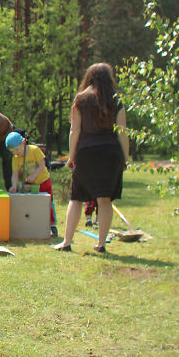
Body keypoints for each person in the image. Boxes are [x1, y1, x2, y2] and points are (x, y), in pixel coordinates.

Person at [52, 63, 129, 253]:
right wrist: (125, 159)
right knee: (105, 200)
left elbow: (74, 131)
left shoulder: (81, 99)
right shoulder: (116, 100)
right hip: (111, 154)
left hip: (86, 152)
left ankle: (66, 242)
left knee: (76, 198)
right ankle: (101, 244)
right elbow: (123, 133)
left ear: (89, 77)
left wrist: (71, 156)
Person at [6, 131, 58, 237]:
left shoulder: (34, 150)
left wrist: (34, 176)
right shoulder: (15, 158)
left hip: (43, 181)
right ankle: (36, 224)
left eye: (17, 149)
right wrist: (14, 185)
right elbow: (15, 174)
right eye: (12, 151)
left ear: (23, 142)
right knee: (33, 204)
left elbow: (42, 165)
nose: (15, 152)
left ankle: (52, 225)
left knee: (47, 203)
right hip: (30, 184)